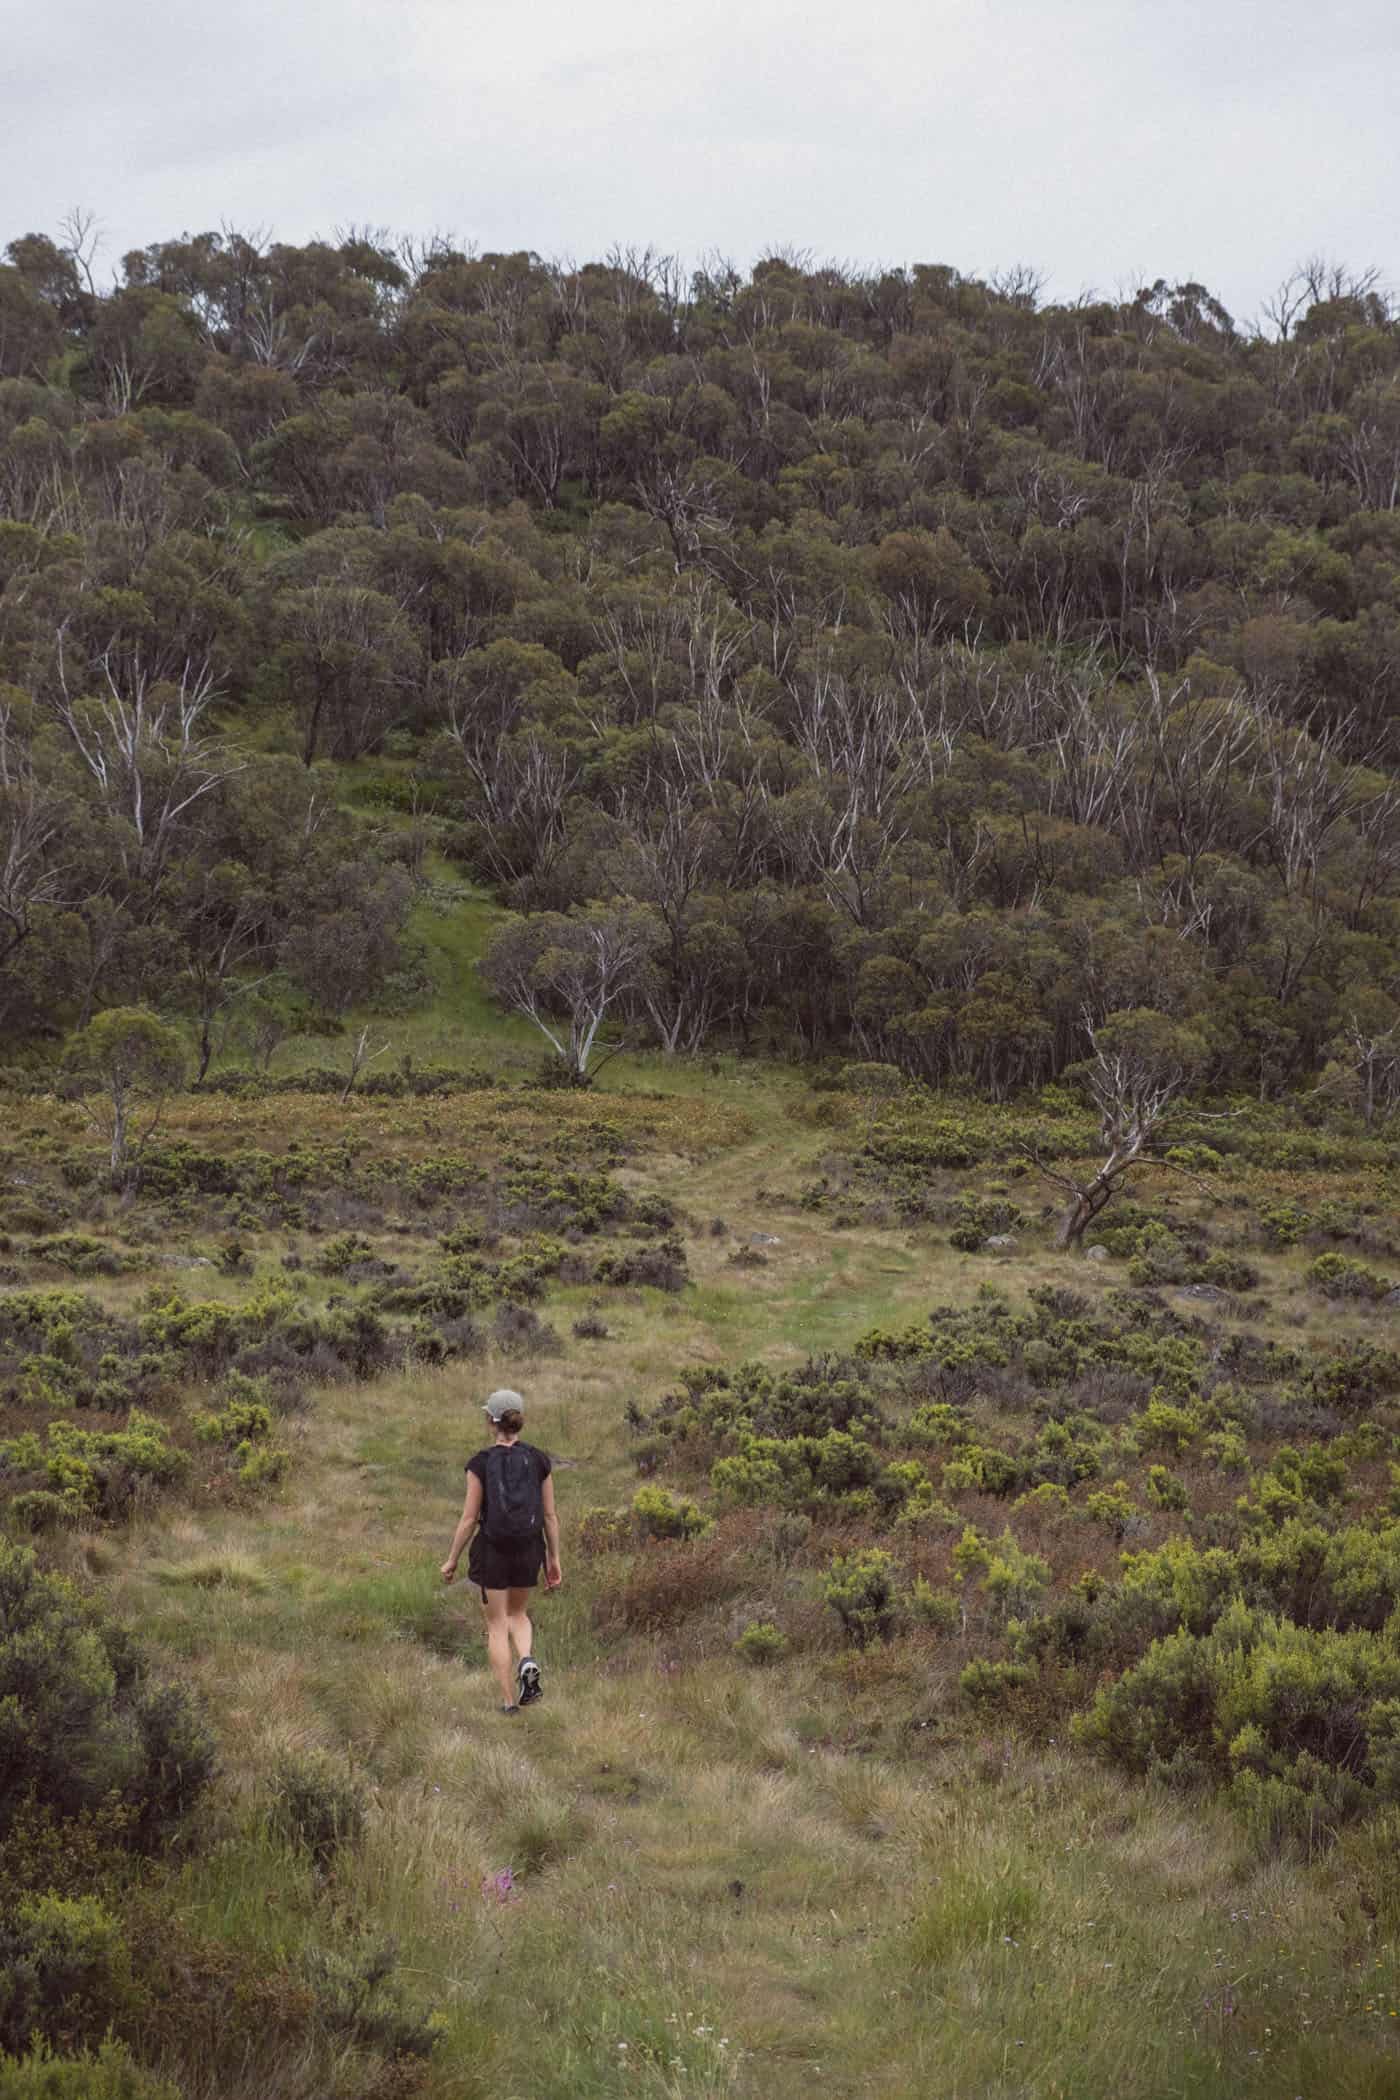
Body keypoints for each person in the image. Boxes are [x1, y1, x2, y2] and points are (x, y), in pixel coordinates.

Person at [441, 1388, 562, 1713]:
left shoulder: (480, 1464)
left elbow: (468, 1519)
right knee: (518, 1614)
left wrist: (451, 1560)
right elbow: (549, 1515)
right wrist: (553, 1558)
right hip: (529, 1549)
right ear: (519, 1420)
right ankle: (526, 1659)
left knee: (496, 1624)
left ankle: (509, 1702)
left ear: (490, 1421)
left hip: (493, 1551)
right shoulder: (538, 1460)